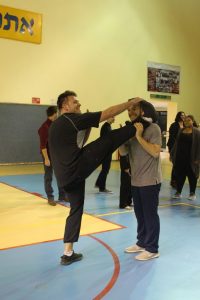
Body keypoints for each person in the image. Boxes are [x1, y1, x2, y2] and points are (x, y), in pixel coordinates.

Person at [49, 90, 151, 265]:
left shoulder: (56, 126)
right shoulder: (70, 119)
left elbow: (79, 144)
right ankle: (137, 127)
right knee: (108, 139)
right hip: (76, 169)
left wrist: (88, 127)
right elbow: (108, 113)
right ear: (65, 106)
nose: (79, 105)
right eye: (75, 102)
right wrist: (130, 103)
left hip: (65, 178)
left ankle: (67, 253)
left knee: (75, 210)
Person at [120, 100, 162, 261]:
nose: (130, 111)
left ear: (143, 111)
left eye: (134, 108)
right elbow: (124, 153)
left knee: (150, 215)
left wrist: (138, 136)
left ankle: (152, 248)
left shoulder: (154, 129)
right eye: (129, 109)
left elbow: (155, 152)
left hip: (150, 181)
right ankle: (142, 242)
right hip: (135, 180)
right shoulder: (131, 129)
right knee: (140, 214)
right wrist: (122, 139)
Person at [38, 106, 66, 206]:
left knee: (60, 175)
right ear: (54, 113)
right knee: (48, 176)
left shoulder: (55, 125)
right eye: (57, 113)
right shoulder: (44, 128)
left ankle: (62, 195)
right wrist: (46, 158)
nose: (58, 114)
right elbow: (43, 146)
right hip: (48, 156)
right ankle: (50, 197)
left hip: (56, 155)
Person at [171, 115, 200, 200]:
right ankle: (178, 192)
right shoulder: (181, 130)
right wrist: (172, 154)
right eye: (185, 120)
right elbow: (176, 144)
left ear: (193, 121)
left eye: (189, 120)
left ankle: (192, 193)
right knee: (180, 175)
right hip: (180, 158)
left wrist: (198, 159)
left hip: (192, 158)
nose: (186, 122)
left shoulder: (197, 132)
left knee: (192, 176)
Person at [95, 117, 115, 193]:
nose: (114, 119)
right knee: (105, 169)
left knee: (105, 169)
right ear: (109, 118)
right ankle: (102, 187)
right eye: (113, 117)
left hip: (106, 151)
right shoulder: (106, 127)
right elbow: (107, 140)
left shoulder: (107, 127)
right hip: (106, 152)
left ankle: (99, 184)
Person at [167, 111, 185, 188]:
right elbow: (172, 138)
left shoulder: (185, 125)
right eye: (182, 115)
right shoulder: (174, 125)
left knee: (181, 165)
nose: (183, 116)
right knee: (176, 165)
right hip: (174, 147)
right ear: (178, 116)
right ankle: (174, 181)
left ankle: (178, 181)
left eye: (184, 115)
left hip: (183, 148)